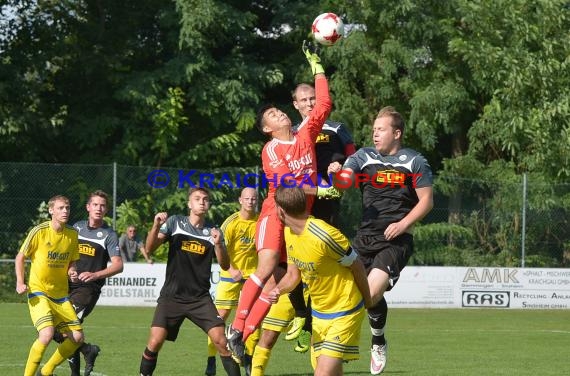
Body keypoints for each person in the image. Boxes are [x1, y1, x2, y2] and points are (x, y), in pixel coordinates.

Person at [226, 41, 340, 364]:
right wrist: (321, 191)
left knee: (290, 279)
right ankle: (237, 328)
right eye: (273, 115)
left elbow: (325, 103)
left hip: (299, 221)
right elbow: (288, 188)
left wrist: (317, 67)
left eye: (279, 110)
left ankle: (246, 339)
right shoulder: (271, 151)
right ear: (267, 129)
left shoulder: (305, 135)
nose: (280, 114)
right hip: (275, 215)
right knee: (265, 269)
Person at [330, 106, 434, 374]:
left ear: (396, 133)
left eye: (381, 129)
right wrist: (336, 172)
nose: (375, 134)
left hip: (396, 240)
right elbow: (344, 183)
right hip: (365, 238)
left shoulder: (414, 161)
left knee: (371, 293)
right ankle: (378, 337)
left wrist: (402, 224)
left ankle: (366, 343)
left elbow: (427, 202)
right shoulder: (363, 156)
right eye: (374, 129)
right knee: (355, 294)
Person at [267, 186, 372, 376]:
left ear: (280, 210)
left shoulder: (324, 235)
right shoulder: (289, 233)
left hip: (344, 310)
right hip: (320, 314)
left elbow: (357, 266)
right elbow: (292, 275)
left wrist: (369, 301)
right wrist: (278, 290)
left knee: (322, 373)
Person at [286, 82, 357, 352]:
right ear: (295, 104)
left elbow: (354, 161)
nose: (309, 103)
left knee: (320, 265)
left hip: (327, 200)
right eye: (303, 100)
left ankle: (312, 322)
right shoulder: (292, 133)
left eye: (313, 98)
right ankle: (301, 313)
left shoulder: (337, 128)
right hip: (300, 201)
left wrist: (342, 169)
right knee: (288, 259)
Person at [140, 187, 240, 376]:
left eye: (205, 199)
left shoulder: (214, 232)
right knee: (154, 342)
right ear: (189, 204)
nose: (202, 201)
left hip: (200, 299)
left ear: (209, 204)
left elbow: (225, 265)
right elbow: (149, 248)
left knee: (221, 342)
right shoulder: (174, 223)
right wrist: (155, 226)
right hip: (172, 297)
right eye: (197, 198)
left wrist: (218, 244)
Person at [56, 189, 124, 376]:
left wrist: (95, 275)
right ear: (88, 207)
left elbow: (118, 266)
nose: (99, 208)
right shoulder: (77, 227)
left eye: (102, 206)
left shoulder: (109, 235)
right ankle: (87, 350)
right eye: (95, 204)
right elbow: (68, 254)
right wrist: (70, 269)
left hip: (88, 290)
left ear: (106, 210)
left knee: (67, 328)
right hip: (67, 286)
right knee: (58, 331)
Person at [15, 195, 85, 376]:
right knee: (46, 335)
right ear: (51, 210)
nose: (65, 211)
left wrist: (72, 271)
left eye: (67, 208)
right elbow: (20, 257)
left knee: (77, 338)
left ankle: (46, 371)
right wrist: (20, 282)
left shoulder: (72, 234)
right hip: (39, 291)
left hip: (61, 296)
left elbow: (72, 262)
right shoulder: (39, 231)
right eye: (61, 208)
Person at [205, 187, 260, 376]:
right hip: (230, 277)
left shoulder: (261, 221)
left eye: (254, 198)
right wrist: (231, 270)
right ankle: (211, 359)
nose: (251, 201)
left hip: (252, 278)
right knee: (218, 319)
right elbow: (218, 249)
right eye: (247, 198)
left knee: (253, 320)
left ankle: (248, 361)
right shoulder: (231, 223)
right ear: (240, 200)